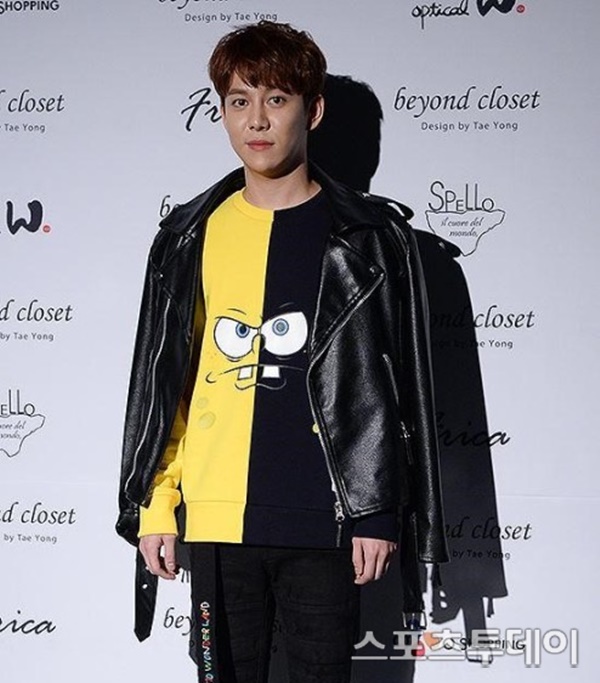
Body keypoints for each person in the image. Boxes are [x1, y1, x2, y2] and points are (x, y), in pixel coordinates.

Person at [116, 20, 448, 683]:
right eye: (239, 100)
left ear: (312, 110)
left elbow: (393, 388)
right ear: (222, 112)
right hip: (216, 521)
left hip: (326, 517)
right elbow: (166, 383)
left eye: (276, 98)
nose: (257, 120)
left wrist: (377, 510)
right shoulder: (188, 235)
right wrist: (156, 503)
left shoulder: (368, 237)